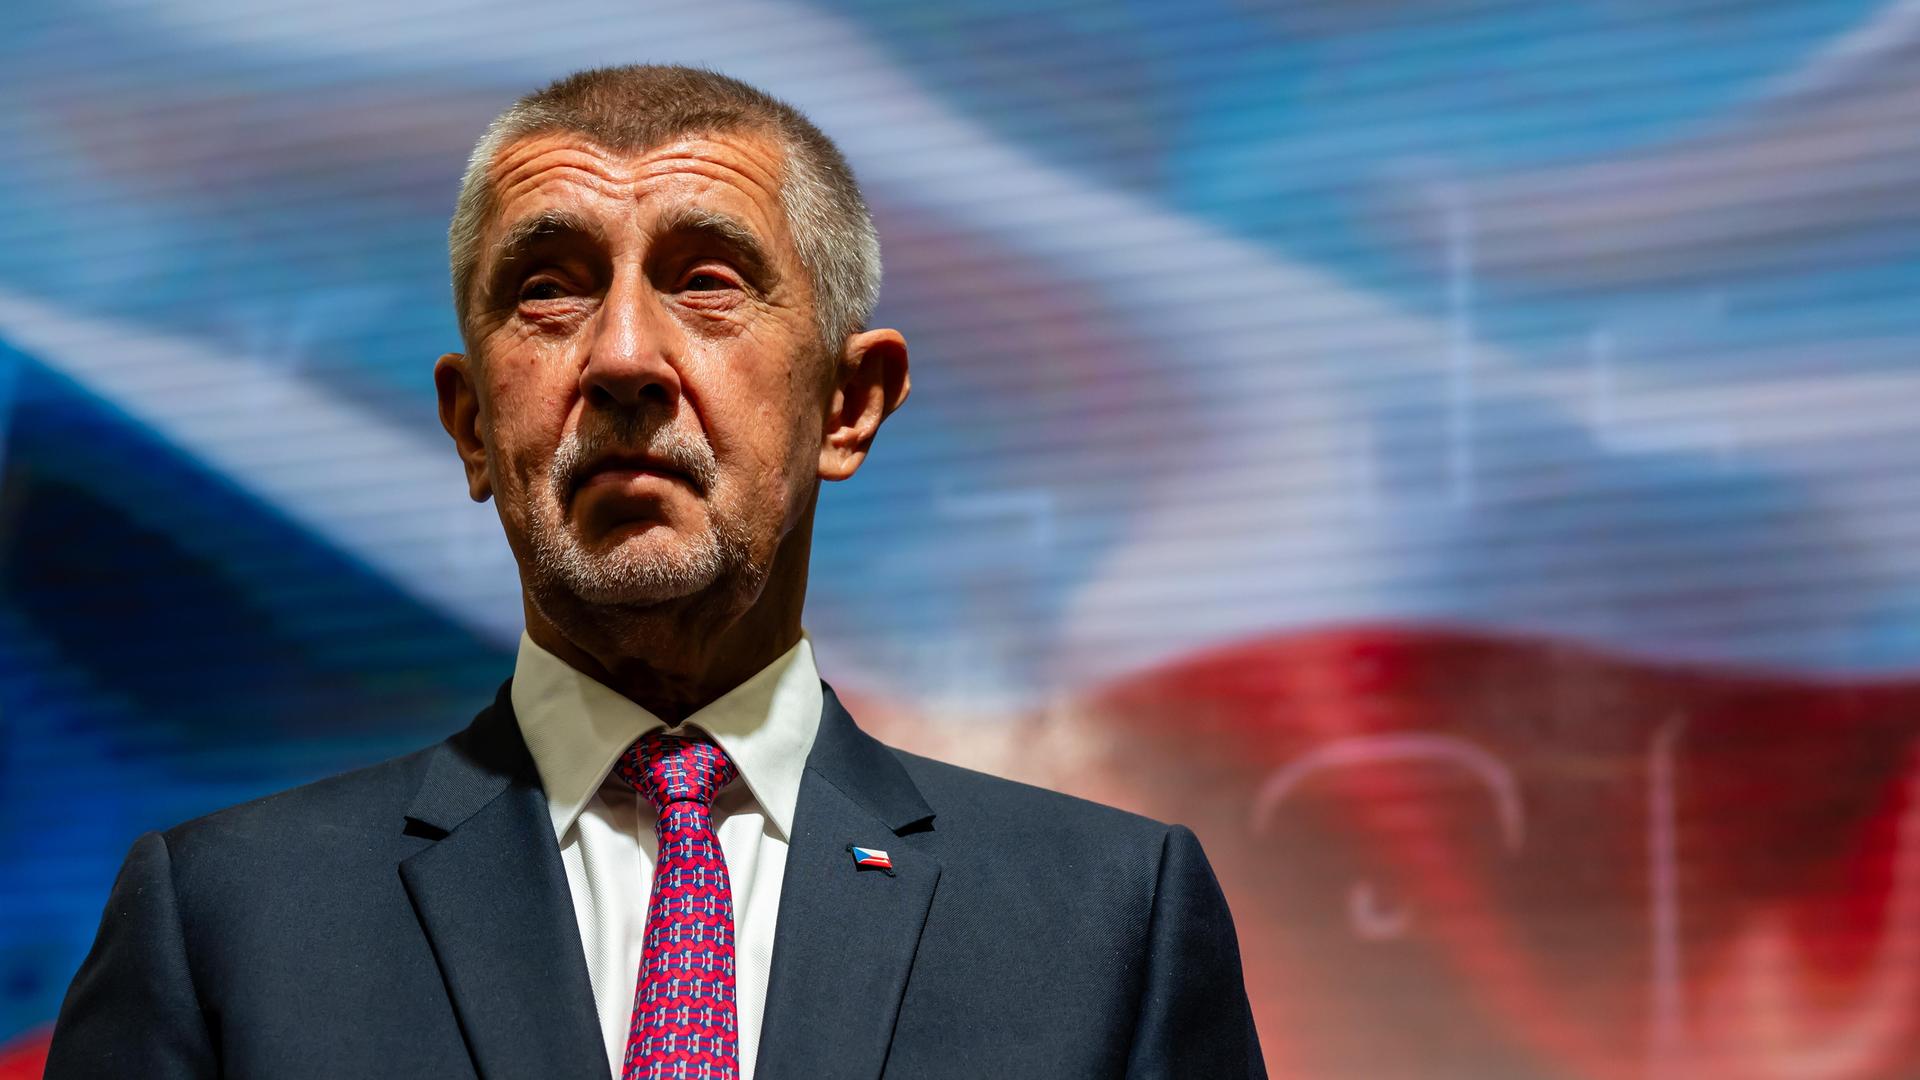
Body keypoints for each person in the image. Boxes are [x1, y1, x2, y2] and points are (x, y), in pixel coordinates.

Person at [44, 64, 1264, 1079]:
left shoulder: (1111, 920)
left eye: (707, 282)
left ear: (848, 405)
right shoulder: (221, 924)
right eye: (549, 289)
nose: (625, 355)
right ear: (471, 426)